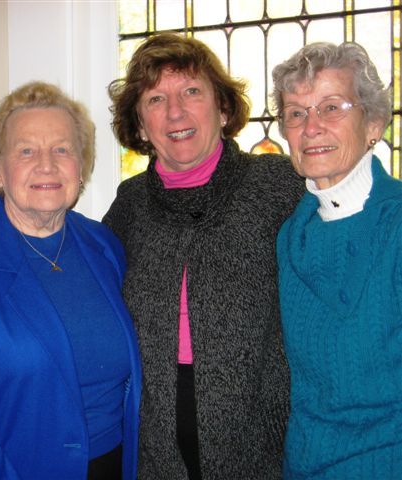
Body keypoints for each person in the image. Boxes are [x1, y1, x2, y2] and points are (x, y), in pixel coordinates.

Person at [102, 32, 304, 479]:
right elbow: (78, 273)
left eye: (192, 91)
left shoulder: (280, 187)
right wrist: (9, 215)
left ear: (224, 108)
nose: (176, 112)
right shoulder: (128, 206)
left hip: (267, 453)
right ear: (138, 125)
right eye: (156, 99)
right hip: (155, 454)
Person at [0, 81, 141, 480]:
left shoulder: (103, 244)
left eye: (62, 149)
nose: (46, 164)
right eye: (26, 150)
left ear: (80, 167)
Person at [272, 42, 398, 478]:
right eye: (296, 113)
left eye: (331, 107)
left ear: (374, 124)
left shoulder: (397, 226)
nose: (311, 128)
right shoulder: (292, 235)